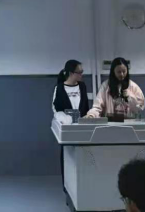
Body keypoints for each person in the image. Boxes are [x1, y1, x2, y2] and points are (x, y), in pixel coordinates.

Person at [52, 59, 89, 193]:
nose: (81, 75)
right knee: (68, 159)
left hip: (82, 129)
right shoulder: (59, 88)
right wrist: (65, 119)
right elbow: (56, 110)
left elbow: (86, 107)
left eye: (82, 72)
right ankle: (68, 188)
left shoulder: (82, 86)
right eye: (79, 72)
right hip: (67, 131)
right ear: (71, 73)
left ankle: (82, 187)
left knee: (82, 159)